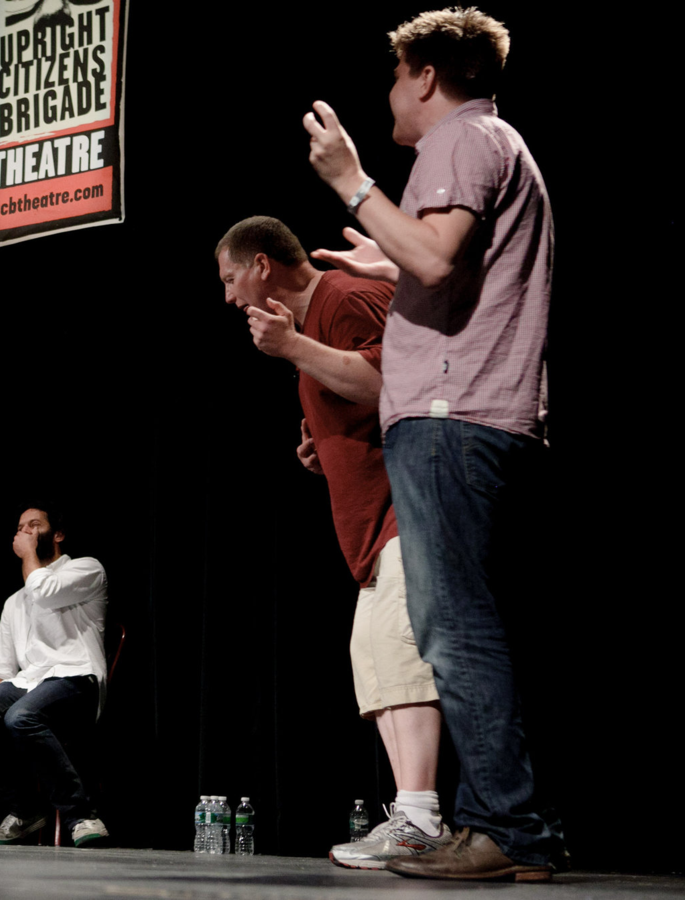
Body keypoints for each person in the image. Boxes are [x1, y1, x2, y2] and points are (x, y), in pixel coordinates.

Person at [304, 8, 561, 881]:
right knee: (468, 625)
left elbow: (439, 257)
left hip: (454, 415)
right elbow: (448, 263)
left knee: (454, 631)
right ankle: (512, 825)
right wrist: (388, 261)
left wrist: (352, 184)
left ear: (422, 75)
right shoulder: (493, 143)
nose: (389, 92)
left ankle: (505, 828)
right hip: (479, 415)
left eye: (393, 75)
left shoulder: (458, 140)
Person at [216, 216, 449, 869]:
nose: (228, 296)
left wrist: (294, 348)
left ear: (262, 265)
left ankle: (422, 818)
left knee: (399, 652)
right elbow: (361, 400)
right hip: (371, 524)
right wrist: (328, 445)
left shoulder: (344, 297)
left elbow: (392, 381)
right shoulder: (314, 319)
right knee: (374, 661)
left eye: (230, 278)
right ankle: (412, 818)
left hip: (408, 509)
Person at [0, 506, 110, 848]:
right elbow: (0, 670)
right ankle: (25, 810)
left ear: (57, 534)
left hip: (77, 679)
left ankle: (82, 816)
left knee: (21, 716)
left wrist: (29, 554)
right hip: (30, 684)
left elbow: (44, 590)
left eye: (35, 525)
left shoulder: (86, 569)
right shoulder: (14, 602)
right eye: (21, 528)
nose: (26, 532)